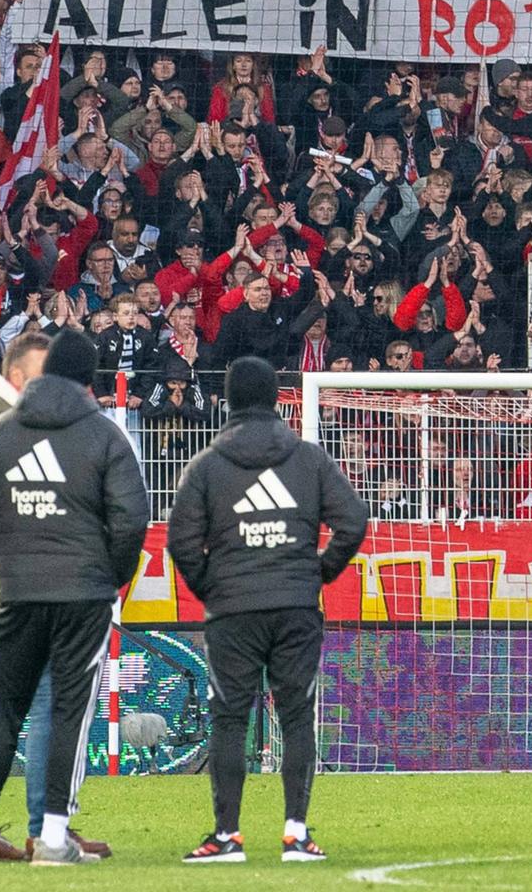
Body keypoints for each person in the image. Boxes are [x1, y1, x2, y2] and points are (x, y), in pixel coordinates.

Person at [0, 329, 149, 866]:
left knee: (1, 708)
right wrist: (109, 576)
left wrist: (10, 565)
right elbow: (132, 520)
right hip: (84, 594)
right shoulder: (105, 436)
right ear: (89, 378)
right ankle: (54, 837)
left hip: (16, 592)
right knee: (67, 710)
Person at [167, 356, 369, 863]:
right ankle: (296, 834)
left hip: (233, 609)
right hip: (296, 606)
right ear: (279, 398)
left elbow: (181, 539)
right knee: (297, 716)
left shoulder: (209, 464)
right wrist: (318, 571)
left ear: (230, 400)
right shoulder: (307, 459)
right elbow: (354, 520)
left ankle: (227, 836)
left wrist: (213, 586)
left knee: (229, 718)